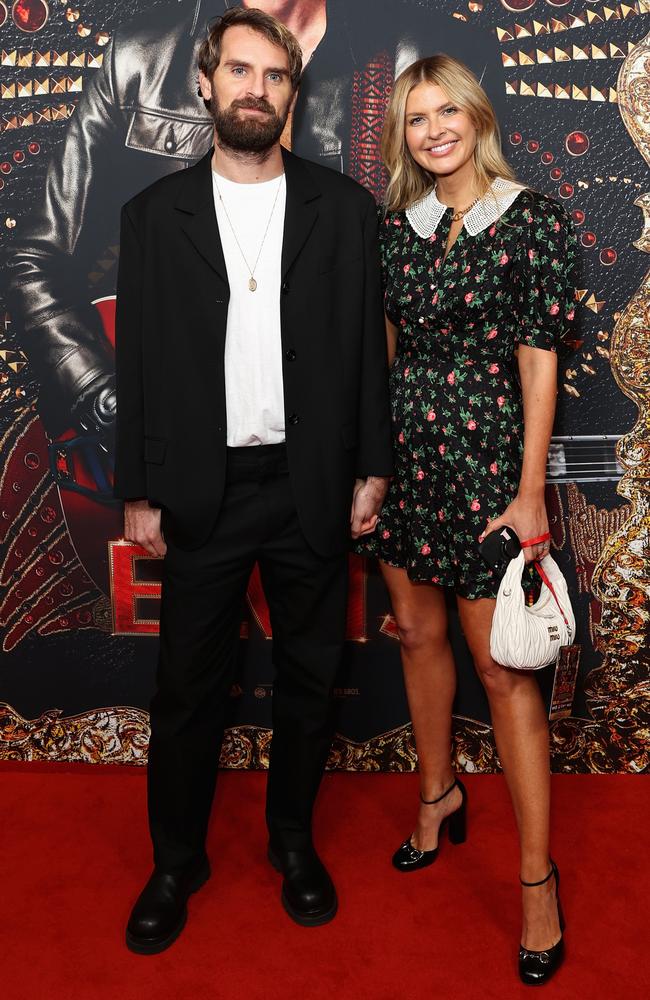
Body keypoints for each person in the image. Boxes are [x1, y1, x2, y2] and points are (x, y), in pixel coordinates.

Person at [114, 6, 392, 954]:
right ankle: (175, 861)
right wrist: (137, 488)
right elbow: (139, 362)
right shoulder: (155, 215)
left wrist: (372, 467)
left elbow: (364, 354)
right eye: (239, 71)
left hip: (311, 480)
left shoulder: (342, 208)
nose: (255, 90)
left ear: (292, 92)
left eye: (274, 77)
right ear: (206, 82)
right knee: (190, 688)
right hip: (204, 488)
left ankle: (291, 844)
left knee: (312, 677)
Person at [5, 0, 504, 443]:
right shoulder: (141, 59)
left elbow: (489, 276)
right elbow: (36, 262)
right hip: (190, 435)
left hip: (348, 433)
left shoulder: (428, 56)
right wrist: (103, 394)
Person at [361, 55, 577, 986]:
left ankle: (536, 880)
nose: (434, 129)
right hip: (408, 464)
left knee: (501, 669)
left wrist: (530, 491)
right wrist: (371, 469)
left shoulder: (530, 219)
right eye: (416, 118)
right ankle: (439, 796)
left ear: (477, 117)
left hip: (491, 465)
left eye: (447, 111)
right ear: (402, 135)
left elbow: (539, 363)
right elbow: (385, 357)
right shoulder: (396, 230)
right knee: (416, 636)